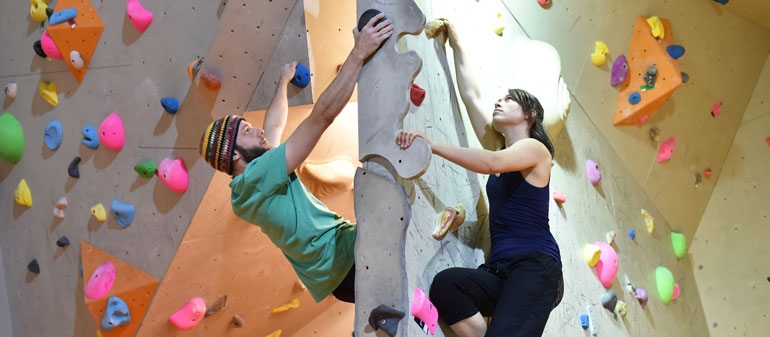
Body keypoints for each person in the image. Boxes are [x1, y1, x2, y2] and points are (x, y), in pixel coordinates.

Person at [198, 13, 393, 304]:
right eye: (248, 131)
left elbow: (274, 126)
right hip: (348, 262)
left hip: (339, 271)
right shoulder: (258, 176)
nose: (259, 131)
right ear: (234, 154)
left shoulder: (247, 188)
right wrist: (359, 53)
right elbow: (321, 118)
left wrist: (282, 83)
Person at [396, 19, 563, 337]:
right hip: (501, 272)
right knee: (446, 286)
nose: (499, 101)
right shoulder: (503, 148)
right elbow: (471, 97)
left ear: (530, 114)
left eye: (510, 99)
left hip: (535, 267)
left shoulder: (536, 151)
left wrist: (431, 145)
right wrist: (457, 45)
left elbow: (489, 164)